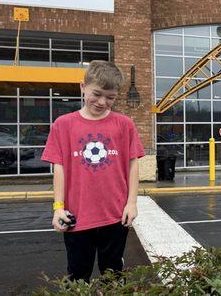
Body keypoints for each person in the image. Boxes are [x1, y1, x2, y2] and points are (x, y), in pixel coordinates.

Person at [42, 60, 145, 281]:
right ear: (83, 86)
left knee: (113, 275)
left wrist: (132, 202)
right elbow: (59, 168)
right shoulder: (63, 125)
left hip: (115, 216)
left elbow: (133, 163)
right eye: (97, 94)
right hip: (77, 217)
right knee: (78, 275)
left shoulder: (124, 124)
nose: (102, 102)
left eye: (110, 97)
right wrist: (58, 207)